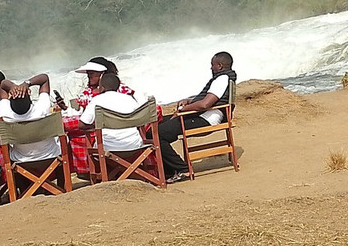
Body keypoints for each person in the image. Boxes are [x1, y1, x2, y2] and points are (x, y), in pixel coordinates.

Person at [157, 51, 236, 184]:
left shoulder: (222, 79)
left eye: (213, 65)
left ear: (220, 66)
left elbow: (205, 104)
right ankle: (168, 169)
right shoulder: (224, 78)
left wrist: (182, 110)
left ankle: (182, 169)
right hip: (202, 115)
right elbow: (206, 98)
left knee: (158, 134)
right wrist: (189, 100)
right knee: (157, 125)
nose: (211, 68)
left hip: (206, 119)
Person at [0, 73, 62, 164]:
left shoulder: (6, 115)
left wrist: (13, 87)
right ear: (29, 94)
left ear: (9, 98)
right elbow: (44, 78)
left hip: (20, 161)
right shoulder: (42, 109)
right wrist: (26, 84)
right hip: (52, 156)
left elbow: (3, 84)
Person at [79, 72, 145, 152]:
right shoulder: (129, 99)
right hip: (134, 145)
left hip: (107, 148)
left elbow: (81, 125)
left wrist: (98, 127)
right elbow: (140, 119)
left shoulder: (97, 100)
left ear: (102, 87)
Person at [71, 57, 136, 111]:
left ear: (102, 74)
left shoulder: (121, 89)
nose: (89, 76)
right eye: (88, 74)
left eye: (91, 74)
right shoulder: (89, 91)